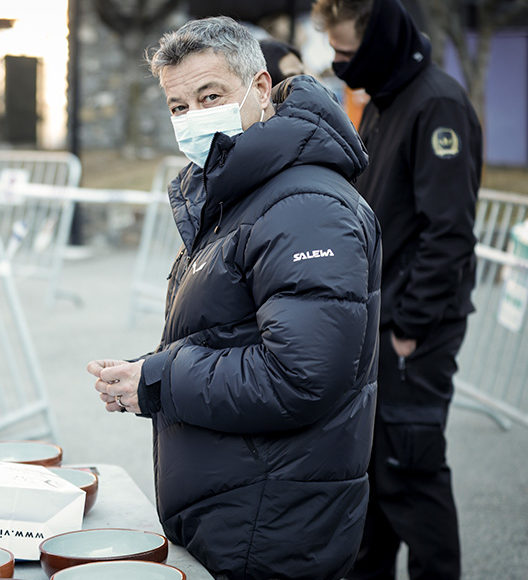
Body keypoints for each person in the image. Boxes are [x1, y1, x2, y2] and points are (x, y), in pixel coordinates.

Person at [86, 16, 381, 580]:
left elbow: (300, 375)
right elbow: (227, 331)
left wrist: (160, 381)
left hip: (270, 519)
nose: (194, 117)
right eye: (178, 106)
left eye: (211, 96)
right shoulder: (241, 191)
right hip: (241, 504)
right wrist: (144, 372)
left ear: (261, 88)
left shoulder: (305, 206)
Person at [312, 1, 482, 578]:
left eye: (346, 51)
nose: (338, 62)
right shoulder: (386, 100)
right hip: (379, 323)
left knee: (411, 473)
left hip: (410, 331)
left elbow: (449, 232)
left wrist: (409, 327)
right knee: (374, 479)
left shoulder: (436, 104)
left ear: (380, 41)